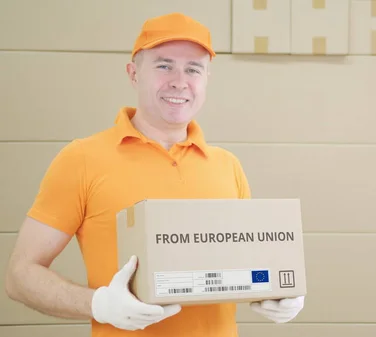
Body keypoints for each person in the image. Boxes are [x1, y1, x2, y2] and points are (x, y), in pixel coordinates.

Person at [4, 12, 304, 336]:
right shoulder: (82, 159)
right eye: (164, 65)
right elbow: (20, 275)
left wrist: (280, 290)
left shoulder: (227, 166)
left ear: (207, 79)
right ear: (134, 74)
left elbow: (249, 265)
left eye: (193, 69)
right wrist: (99, 304)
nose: (179, 81)